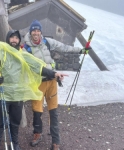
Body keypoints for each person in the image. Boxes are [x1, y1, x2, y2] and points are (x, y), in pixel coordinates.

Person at [0, 30, 68, 150]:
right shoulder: (0, 53)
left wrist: (54, 74)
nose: (14, 40)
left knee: (15, 123)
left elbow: (39, 68)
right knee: (0, 123)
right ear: (8, 39)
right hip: (3, 95)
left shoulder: (23, 54)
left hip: (18, 96)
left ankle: (15, 145)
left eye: (16, 38)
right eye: (12, 38)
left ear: (19, 40)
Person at [22, 20, 90, 150]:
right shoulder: (26, 49)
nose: (36, 33)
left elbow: (63, 47)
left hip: (52, 82)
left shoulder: (46, 42)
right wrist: (54, 73)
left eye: (38, 30)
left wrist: (81, 50)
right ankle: (37, 134)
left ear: (40, 31)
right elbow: (36, 68)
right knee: (37, 111)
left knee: (53, 111)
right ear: (30, 32)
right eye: (33, 30)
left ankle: (56, 141)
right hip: (38, 83)